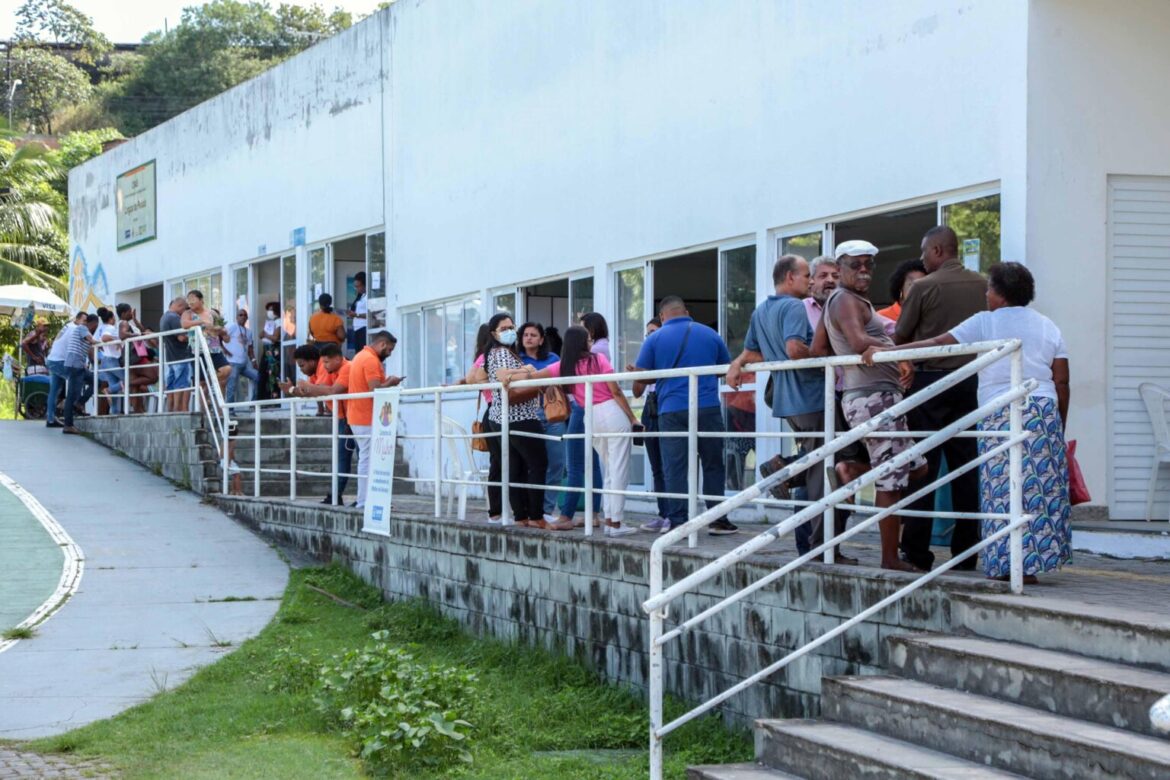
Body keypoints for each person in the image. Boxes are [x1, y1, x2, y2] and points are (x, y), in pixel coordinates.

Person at [865, 262, 1071, 583]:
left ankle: (1006, 564)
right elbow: (1061, 381)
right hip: (1043, 411)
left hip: (1001, 411)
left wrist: (889, 351)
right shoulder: (1048, 325)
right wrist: (1059, 424)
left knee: (1001, 487)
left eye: (989, 288)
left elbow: (937, 344)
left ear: (1000, 293)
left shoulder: (986, 321)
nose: (986, 294)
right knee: (1037, 488)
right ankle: (1030, 565)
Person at [726, 255, 857, 563]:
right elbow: (794, 349)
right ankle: (821, 546)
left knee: (822, 462)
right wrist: (825, 358)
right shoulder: (794, 307)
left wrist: (736, 363)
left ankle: (785, 470)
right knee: (826, 470)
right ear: (789, 278)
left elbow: (752, 352)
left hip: (790, 402)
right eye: (806, 276)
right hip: (812, 398)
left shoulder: (762, 310)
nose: (810, 282)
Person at [812, 240, 926, 571]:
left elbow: (818, 348)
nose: (863, 270)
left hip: (870, 395)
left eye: (868, 264)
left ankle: (851, 471)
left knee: (917, 467)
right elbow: (860, 342)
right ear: (840, 268)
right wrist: (899, 354)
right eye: (855, 264)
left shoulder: (839, 300)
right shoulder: (845, 300)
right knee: (891, 479)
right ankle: (890, 558)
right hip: (873, 397)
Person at [895, 226, 988, 571]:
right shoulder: (983, 285)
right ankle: (966, 552)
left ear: (936, 250)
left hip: (930, 382)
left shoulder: (923, 286)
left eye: (924, 252)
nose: (922, 259)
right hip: (973, 381)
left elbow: (901, 335)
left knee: (923, 466)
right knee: (967, 467)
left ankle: (917, 551)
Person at [505, 325, 641, 536]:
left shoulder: (563, 365)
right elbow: (615, 391)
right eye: (588, 339)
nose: (590, 342)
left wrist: (508, 376)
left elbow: (533, 377)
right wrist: (632, 417)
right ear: (583, 342)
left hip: (590, 416)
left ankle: (611, 521)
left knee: (609, 468)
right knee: (618, 469)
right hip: (611, 412)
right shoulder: (598, 359)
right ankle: (616, 523)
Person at [634, 296, 736, 535]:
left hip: (671, 409)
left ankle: (678, 521)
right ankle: (718, 520)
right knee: (713, 464)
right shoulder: (710, 334)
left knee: (674, 467)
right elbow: (724, 368)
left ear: (662, 316)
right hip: (707, 407)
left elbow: (641, 376)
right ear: (686, 312)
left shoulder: (654, 338)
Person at [479, 314, 547, 527]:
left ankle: (521, 516)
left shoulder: (502, 352)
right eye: (504, 328)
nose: (510, 331)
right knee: (537, 464)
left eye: (511, 327)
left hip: (505, 417)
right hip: (519, 416)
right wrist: (528, 370)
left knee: (516, 467)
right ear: (494, 333)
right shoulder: (499, 352)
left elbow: (507, 375)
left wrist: (522, 371)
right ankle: (535, 516)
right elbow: (503, 376)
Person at [290, 341, 355, 504]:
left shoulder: (345, 367)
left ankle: (361, 499)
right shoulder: (328, 370)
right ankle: (337, 496)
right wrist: (292, 390)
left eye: (326, 362)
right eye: (323, 362)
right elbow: (315, 391)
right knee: (344, 457)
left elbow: (329, 390)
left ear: (337, 359)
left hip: (353, 418)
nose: (324, 366)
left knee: (358, 459)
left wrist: (306, 387)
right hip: (345, 417)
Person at [348, 329, 403, 509]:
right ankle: (365, 501)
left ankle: (370, 500)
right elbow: (375, 389)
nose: (390, 353)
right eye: (389, 349)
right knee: (368, 460)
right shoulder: (370, 360)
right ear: (382, 344)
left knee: (369, 459)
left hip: (360, 415)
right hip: (366, 417)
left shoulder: (360, 356)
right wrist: (391, 382)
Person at [518, 322, 567, 521]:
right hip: (529, 414)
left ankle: (547, 510)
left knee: (556, 463)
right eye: (525, 335)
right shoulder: (517, 360)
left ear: (541, 339)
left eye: (533, 335)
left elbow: (561, 383)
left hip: (553, 413)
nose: (529, 338)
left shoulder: (553, 358)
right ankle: (531, 509)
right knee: (532, 464)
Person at [632, 318, 670, 531]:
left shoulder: (669, 354)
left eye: (654, 332)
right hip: (650, 407)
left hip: (666, 405)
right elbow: (637, 392)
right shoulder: (646, 355)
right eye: (648, 333)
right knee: (656, 466)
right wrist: (639, 372)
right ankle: (663, 513)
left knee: (669, 464)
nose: (650, 337)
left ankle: (674, 514)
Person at [181, 290, 232, 395]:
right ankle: (203, 403)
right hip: (197, 350)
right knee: (201, 382)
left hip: (214, 348)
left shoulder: (212, 313)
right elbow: (184, 324)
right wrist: (202, 322)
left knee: (226, 370)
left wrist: (219, 330)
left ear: (201, 300)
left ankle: (210, 381)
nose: (190, 302)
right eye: (188, 300)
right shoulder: (188, 313)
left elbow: (221, 327)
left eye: (193, 299)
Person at [45, 311, 87, 428]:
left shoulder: (68, 326)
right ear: (77, 319)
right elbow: (74, 349)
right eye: (84, 321)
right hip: (59, 361)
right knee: (77, 381)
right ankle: (75, 408)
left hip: (53, 360)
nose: (85, 324)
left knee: (54, 391)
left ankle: (50, 419)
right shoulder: (76, 329)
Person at [61, 313, 99, 435]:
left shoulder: (84, 331)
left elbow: (88, 349)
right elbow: (91, 340)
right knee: (72, 395)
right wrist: (101, 344)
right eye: (96, 325)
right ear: (93, 323)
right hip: (74, 365)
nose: (96, 328)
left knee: (96, 381)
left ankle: (80, 403)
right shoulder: (83, 328)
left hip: (79, 366)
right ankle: (68, 425)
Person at [117, 303, 156, 413]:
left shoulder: (129, 324)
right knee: (153, 377)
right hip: (135, 356)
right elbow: (122, 335)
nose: (131, 313)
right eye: (130, 311)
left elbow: (143, 332)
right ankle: (127, 383)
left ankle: (138, 411)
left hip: (133, 356)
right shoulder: (124, 323)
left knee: (136, 387)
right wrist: (136, 336)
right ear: (124, 313)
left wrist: (135, 320)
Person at [160, 297, 193, 412]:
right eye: (185, 309)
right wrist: (193, 335)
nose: (185, 312)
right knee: (183, 384)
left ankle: (171, 410)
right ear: (180, 306)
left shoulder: (164, 317)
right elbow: (182, 338)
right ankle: (181, 410)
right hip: (181, 356)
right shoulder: (174, 318)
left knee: (171, 385)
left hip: (171, 357)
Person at [225, 310, 260, 403]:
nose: (243, 317)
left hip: (244, 364)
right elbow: (220, 337)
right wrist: (225, 350)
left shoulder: (249, 332)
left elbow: (250, 348)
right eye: (240, 315)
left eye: (245, 315)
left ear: (247, 318)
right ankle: (230, 409)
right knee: (231, 386)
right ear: (237, 317)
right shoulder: (233, 327)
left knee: (258, 376)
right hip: (233, 363)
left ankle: (254, 404)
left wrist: (254, 361)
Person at [94, 307, 124, 415]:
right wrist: (117, 341)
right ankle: (108, 390)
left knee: (114, 388)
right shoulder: (110, 328)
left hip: (105, 360)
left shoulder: (101, 328)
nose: (115, 320)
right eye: (114, 318)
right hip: (112, 360)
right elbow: (105, 338)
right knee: (129, 380)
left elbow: (97, 341)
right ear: (111, 319)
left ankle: (114, 412)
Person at [258, 301, 282, 400]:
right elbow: (260, 335)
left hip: (274, 350)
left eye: (271, 309)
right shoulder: (270, 322)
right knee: (263, 373)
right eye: (268, 310)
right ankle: (262, 398)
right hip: (267, 349)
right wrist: (264, 334)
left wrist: (266, 335)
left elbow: (275, 338)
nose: (269, 312)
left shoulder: (279, 321)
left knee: (273, 374)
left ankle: (274, 398)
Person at [348, 272, 368, 351]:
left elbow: (372, 314)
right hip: (357, 327)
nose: (356, 289)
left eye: (358, 286)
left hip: (364, 327)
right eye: (355, 287)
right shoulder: (361, 296)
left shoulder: (369, 296)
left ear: (365, 285)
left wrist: (357, 315)